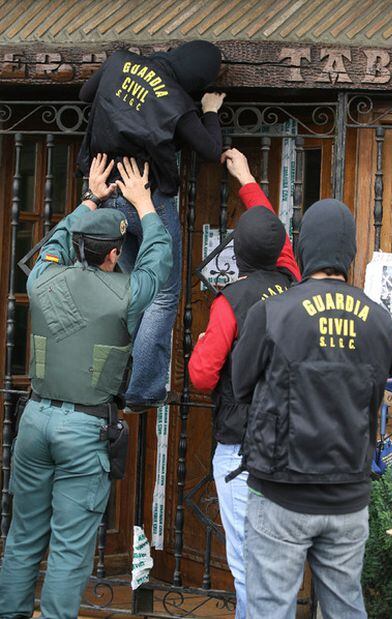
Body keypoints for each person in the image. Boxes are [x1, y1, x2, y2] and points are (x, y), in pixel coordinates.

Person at [0, 154, 172, 619]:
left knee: (21, 538)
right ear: (114, 253)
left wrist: (91, 198)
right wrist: (146, 204)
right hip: (83, 429)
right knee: (70, 548)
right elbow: (160, 258)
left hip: (33, 421)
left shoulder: (42, 278)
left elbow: (54, 240)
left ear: (77, 246)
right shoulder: (127, 295)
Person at [232, 198, 392, 619]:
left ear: (304, 250)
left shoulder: (271, 312)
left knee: (270, 610)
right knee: (344, 609)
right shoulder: (379, 321)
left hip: (281, 492)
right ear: (348, 253)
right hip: (348, 496)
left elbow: (240, 384)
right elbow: (374, 396)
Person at [77, 41, 225, 405]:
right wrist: (209, 111)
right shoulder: (176, 101)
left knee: (132, 292)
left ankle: (114, 381)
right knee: (161, 296)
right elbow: (210, 151)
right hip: (145, 200)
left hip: (103, 192)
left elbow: (85, 95)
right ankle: (142, 390)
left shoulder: (119, 62)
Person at [188, 148, 300, 619]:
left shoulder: (230, 302)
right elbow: (278, 238)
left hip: (240, 450)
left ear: (238, 254)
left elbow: (201, 375)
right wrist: (248, 180)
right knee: (278, 560)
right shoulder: (295, 285)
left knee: (246, 564)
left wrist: (201, 344)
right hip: (289, 446)